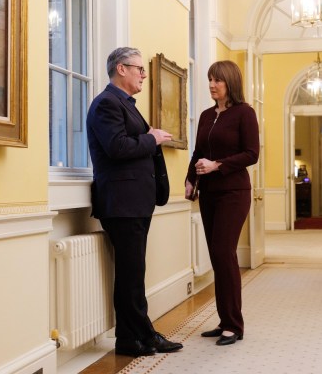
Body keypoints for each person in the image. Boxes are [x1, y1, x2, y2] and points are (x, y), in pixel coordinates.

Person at [86, 47, 183, 357]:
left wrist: (148, 137)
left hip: (133, 202)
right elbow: (116, 147)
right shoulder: (106, 103)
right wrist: (151, 138)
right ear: (121, 69)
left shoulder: (123, 104)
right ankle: (142, 337)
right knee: (131, 277)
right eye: (139, 69)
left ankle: (132, 338)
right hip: (122, 203)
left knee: (133, 275)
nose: (143, 75)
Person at [184, 60, 259, 346]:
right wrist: (190, 179)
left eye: (217, 80)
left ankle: (234, 325)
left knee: (223, 252)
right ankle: (224, 319)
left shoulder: (245, 113)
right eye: (210, 80)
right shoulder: (206, 116)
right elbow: (197, 152)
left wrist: (217, 165)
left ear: (230, 83)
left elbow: (252, 154)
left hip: (234, 192)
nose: (212, 85)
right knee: (217, 256)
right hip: (209, 193)